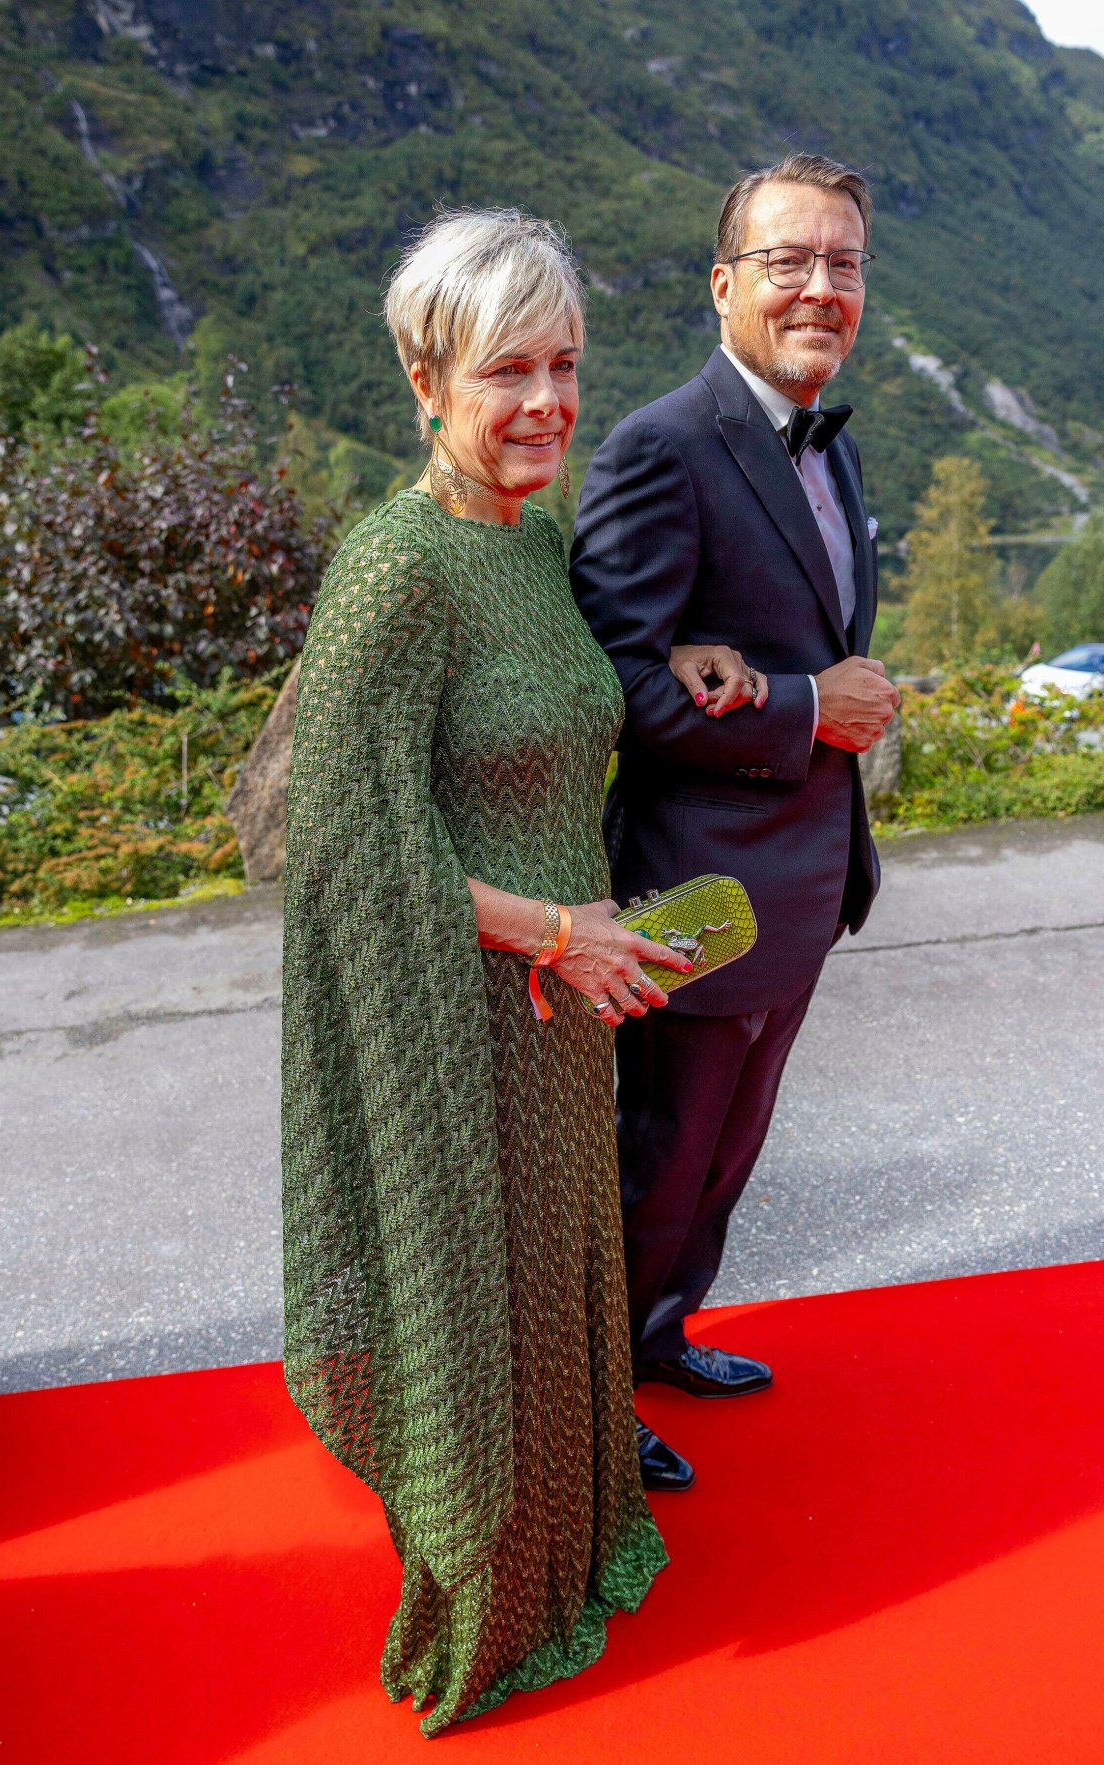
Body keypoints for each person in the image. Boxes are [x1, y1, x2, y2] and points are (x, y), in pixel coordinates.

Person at [281, 208, 691, 1737]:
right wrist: (548, 929)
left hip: (559, 1015)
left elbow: (563, 719)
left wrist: (700, 676)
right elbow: (340, 847)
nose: (543, 402)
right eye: (504, 369)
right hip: (450, 1023)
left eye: (565, 364)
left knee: (557, 1276)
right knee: (479, 1301)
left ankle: (574, 1534)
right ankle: (485, 1590)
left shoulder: (537, 542)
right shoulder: (392, 573)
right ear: (422, 380)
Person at [570, 153, 900, 1491]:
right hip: (693, 896)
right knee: (655, 1162)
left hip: (806, 889)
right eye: (790, 260)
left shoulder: (833, 434)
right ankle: (589, 1405)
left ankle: (657, 1335)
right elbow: (615, 680)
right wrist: (807, 706)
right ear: (724, 284)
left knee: (727, 1156)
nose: (822, 286)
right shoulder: (661, 445)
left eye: (845, 264)